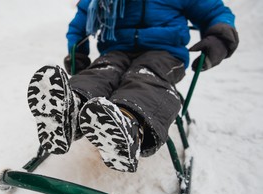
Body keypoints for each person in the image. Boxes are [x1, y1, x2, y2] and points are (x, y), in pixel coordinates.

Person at [27, 0, 239, 172]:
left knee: (146, 77)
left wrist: (220, 37)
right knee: (101, 73)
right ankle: (69, 111)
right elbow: (81, 19)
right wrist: (77, 48)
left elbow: (214, 10)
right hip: (117, 50)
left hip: (165, 52)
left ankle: (128, 124)